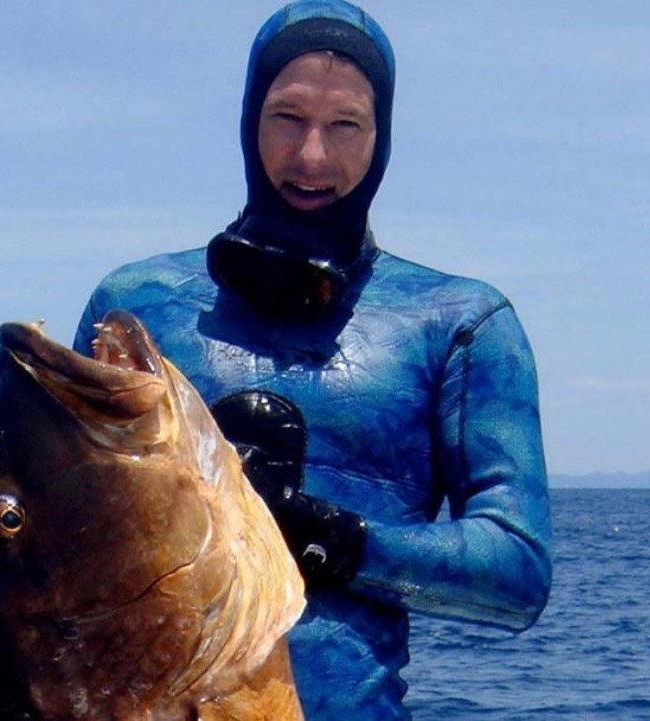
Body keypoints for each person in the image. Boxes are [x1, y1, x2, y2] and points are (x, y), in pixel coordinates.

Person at [72, 1, 552, 718]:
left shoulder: (461, 323)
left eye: (346, 125)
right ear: (247, 119)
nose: (312, 158)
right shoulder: (136, 307)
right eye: (288, 118)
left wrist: (334, 540)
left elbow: (517, 570)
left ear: (382, 135)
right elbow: (56, 544)